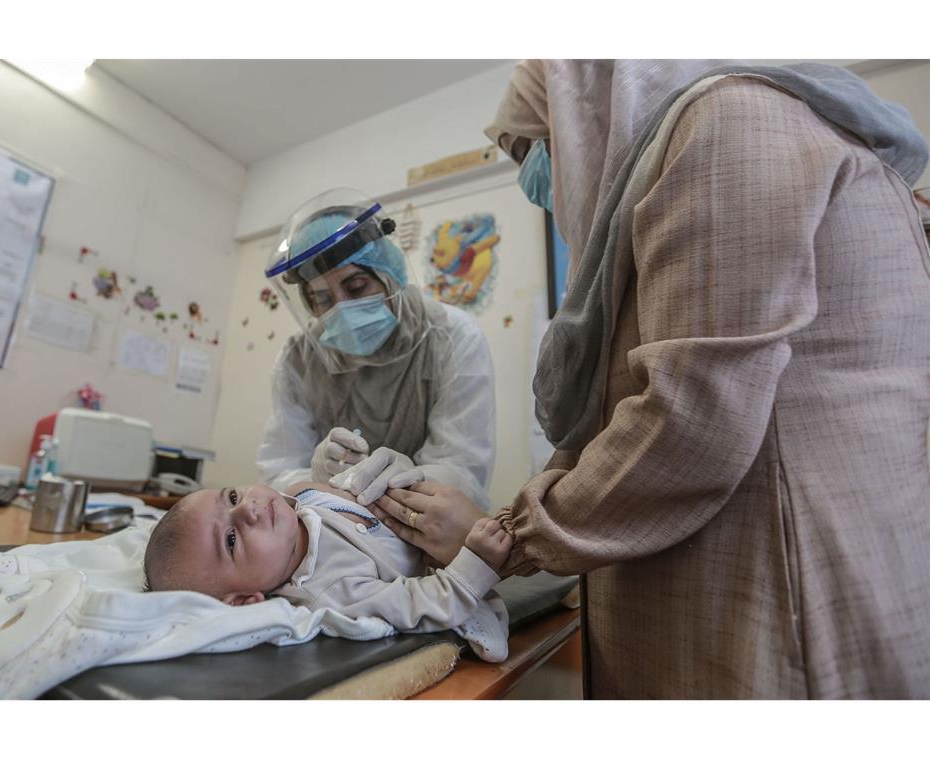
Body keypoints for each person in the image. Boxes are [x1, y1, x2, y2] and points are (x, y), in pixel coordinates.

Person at [372, 60, 930, 698]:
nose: (535, 178)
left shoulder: (731, 123)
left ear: (584, 109)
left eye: (531, 148)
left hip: (783, 601)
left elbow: (690, 420)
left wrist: (509, 535)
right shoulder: (701, 161)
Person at [257, 188, 496, 509]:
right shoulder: (299, 361)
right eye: (322, 299)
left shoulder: (451, 336)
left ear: (388, 274)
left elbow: (463, 472)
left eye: (356, 286)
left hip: (422, 535)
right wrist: (312, 477)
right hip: (331, 531)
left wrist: (412, 478)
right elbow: (277, 472)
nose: (342, 308)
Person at [142, 481, 511, 661]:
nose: (248, 509)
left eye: (233, 498)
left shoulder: (302, 498)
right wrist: (477, 564)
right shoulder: (331, 592)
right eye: (231, 540)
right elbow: (424, 603)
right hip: (456, 554)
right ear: (242, 600)